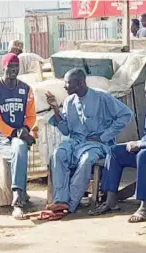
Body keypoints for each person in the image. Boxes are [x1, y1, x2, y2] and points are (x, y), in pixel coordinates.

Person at [45, 68, 132, 220]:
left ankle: (70, 203)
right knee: (58, 154)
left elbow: (126, 115)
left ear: (79, 83)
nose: (65, 87)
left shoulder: (101, 97)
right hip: (75, 142)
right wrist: (55, 110)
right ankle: (60, 200)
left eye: (67, 83)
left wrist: (104, 136)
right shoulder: (68, 101)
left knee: (86, 159)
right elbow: (65, 131)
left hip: (97, 144)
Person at [90, 70, 146, 223]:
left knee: (143, 155)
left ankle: (145, 206)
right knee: (115, 151)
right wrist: (138, 143)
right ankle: (110, 199)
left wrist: (142, 144)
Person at [0, 53, 37, 219]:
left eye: (16, 67)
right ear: (3, 67)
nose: (13, 70)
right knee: (18, 150)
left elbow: (31, 116)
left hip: (19, 136)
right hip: (1, 136)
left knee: (20, 147)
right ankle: (19, 196)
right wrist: (15, 133)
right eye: (10, 67)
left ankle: (17, 196)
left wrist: (26, 129)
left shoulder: (26, 89)